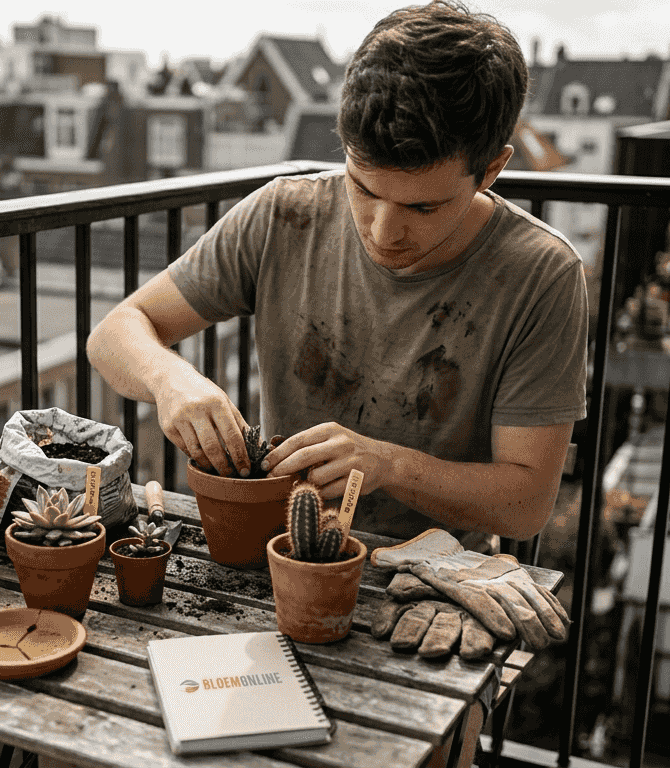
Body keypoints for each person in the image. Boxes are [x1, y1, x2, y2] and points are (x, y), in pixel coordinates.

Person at [89, 2, 586, 758]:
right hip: (267, 576)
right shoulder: (283, 213)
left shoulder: (544, 275)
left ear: (493, 168)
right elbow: (117, 331)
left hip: (432, 587)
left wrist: (385, 463)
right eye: (363, 187)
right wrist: (170, 382)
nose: (383, 230)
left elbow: (525, 501)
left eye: (423, 204)